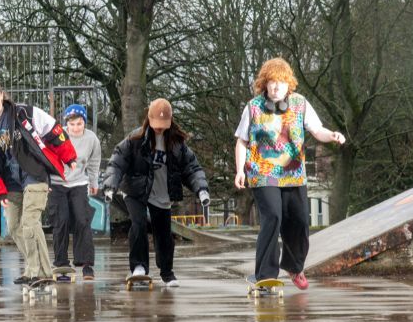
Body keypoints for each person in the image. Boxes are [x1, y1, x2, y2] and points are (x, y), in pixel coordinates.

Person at [234, 57, 345, 290]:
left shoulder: (300, 104)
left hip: (293, 173)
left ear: (288, 85)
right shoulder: (253, 107)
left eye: (281, 83)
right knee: (273, 216)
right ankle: (264, 275)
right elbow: (242, 141)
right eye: (272, 82)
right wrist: (239, 170)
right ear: (265, 84)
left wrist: (332, 135)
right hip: (262, 172)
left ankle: (294, 267)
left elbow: (316, 130)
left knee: (301, 220)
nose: (276, 87)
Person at [0, 79, 77, 284]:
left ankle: (42, 273)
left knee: (30, 223)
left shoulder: (24, 113)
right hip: (10, 180)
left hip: (34, 173)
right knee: (14, 226)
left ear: (2, 95)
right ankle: (32, 269)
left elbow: (53, 129)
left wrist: (69, 156)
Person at [103, 98, 210, 287]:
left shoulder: (177, 144)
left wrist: (201, 190)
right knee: (138, 224)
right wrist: (110, 186)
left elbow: (192, 169)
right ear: (148, 120)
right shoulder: (134, 139)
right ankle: (139, 267)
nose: (159, 128)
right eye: (156, 125)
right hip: (135, 190)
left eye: (163, 125)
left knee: (164, 234)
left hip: (162, 193)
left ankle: (167, 273)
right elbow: (117, 162)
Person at [47, 104, 101, 280]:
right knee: (60, 221)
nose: (76, 128)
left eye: (79, 124)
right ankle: (61, 263)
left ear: (84, 123)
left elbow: (94, 162)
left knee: (82, 219)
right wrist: (45, 181)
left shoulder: (92, 139)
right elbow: (45, 158)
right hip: (56, 183)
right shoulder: (56, 136)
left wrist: (93, 182)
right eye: (72, 125)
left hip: (78, 183)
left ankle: (86, 265)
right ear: (66, 124)